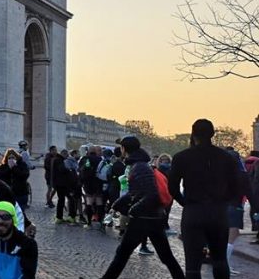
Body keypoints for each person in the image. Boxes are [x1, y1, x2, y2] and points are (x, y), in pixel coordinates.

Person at [101, 136, 184, 279]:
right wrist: (118, 203)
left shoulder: (139, 167)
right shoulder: (140, 165)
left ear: (124, 149)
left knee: (122, 253)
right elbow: (136, 192)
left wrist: (133, 210)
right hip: (153, 217)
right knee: (166, 257)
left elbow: (150, 194)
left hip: (143, 218)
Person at [168, 119, 241, 279]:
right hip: (217, 212)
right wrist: (223, 202)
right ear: (213, 134)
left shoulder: (182, 157)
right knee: (220, 260)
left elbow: (172, 187)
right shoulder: (226, 158)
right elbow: (236, 186)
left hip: (193, 211)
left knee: (193, 265)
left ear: (193, 134)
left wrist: (185, 203)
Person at [80, 146, 105, 228]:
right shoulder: (100, 160)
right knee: (99, 203)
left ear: (88, 151)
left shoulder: (86, 159)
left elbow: (81, 171)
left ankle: (89, 222)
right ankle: (99, 221)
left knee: (89, 203)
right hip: (98, 183)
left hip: (88, 184)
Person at [53, 149, 77, 224]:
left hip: (58, 183)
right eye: (67, 155)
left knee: (61, 200)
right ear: (64, 154)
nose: (67, 156)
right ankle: (71, 216)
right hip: (64, 184)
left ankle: (59, 217)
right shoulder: (60, 161)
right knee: (71, 198)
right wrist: (69, 170)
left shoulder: (56, 159)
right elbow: (62, 169)